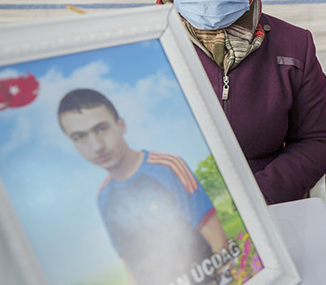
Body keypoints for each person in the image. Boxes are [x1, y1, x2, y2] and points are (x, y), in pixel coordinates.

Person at [156, 0, 326, 204]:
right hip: (175, 206)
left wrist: (256, 194)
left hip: (267, 203)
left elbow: (318, 141)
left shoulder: (293, 45)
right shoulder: (148, 47)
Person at [58, 88, 233, 285]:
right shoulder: (103, 197)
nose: (96, 146)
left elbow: (217, 240)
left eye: (101, 129)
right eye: (79, 137)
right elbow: (131, 265)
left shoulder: (169, 167)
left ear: (121, 125)